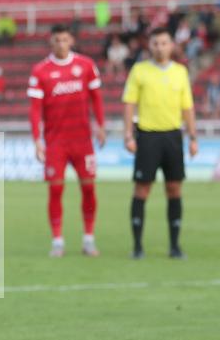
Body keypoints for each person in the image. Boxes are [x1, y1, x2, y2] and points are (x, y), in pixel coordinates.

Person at [28, 23, 106, 257]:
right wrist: (37, 140)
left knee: (89, 188)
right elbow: (35, 110)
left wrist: (100, 126)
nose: (61, 44)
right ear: (51, 42)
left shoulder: (86, 66)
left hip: (83, 141)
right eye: (57, 40)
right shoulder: (40, 71)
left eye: (65, 39)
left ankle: (89, 239)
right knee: (55, 190)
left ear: (71, 41)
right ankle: (58, 241)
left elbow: (97, 99)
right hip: (56, 143)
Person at [122, 27, 198, 260]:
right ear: (150, 45)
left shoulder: (180, 72)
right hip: (147, 136)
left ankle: (174, 246)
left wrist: (193, 137)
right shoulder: (139, 71)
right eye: (155, 43)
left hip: (173, 136)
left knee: (174, 188)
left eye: (164, 43)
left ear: (172, 45)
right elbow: (129, 104)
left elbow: (188, 107)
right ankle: (137, 246)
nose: (159, 47)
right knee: (142, 189)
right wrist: (128, 135)